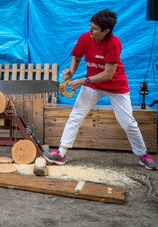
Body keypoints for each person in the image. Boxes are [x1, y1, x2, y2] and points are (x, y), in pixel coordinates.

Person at [44, 9, 158, 170]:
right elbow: (76, 57)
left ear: (106, 31)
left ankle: (143, 155)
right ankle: (61, 154)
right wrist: (71, 72)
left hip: (116, 87)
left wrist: (83, 80)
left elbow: (108, 74)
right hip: (93, 85)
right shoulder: (85, 38)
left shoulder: (114, 43)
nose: (90, 31)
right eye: (90, 26)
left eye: (94, 29)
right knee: (75, 116)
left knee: (129, 123)